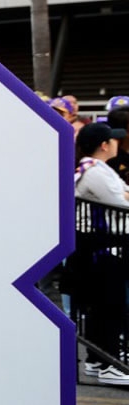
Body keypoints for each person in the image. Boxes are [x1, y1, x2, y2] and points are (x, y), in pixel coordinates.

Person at [73, 122, 129, 386]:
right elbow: (122, 201)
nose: (118, 142)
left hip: (105, 247)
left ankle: (97, 360)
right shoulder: (94, 170)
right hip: (103, 249)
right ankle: (110, 364)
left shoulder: (99, 169)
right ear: (104, 145)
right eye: (113, 140)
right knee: (110, 306)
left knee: (102, 306)